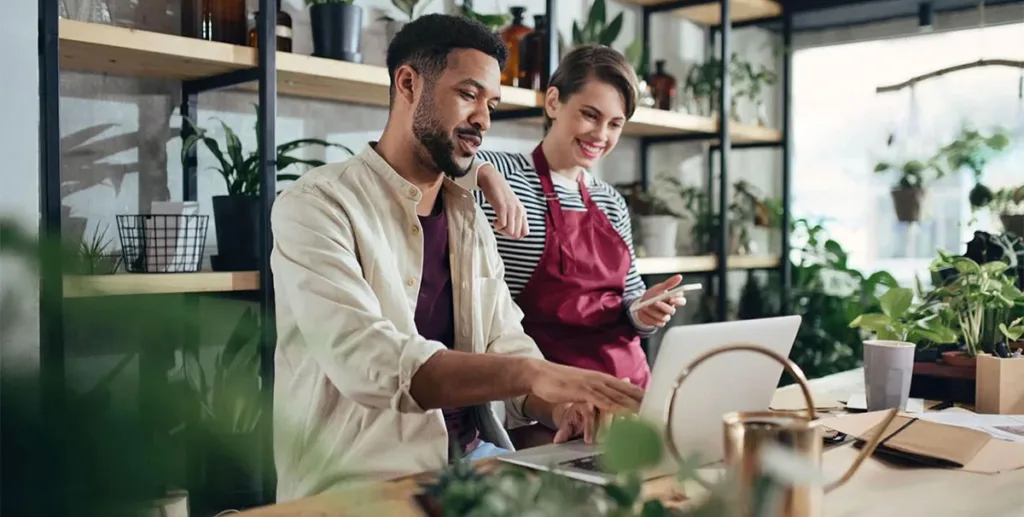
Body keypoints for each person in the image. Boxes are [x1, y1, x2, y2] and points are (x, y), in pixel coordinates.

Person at [268, 15, 645, 502]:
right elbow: (370, 361)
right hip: (360, 490)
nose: (484, 120)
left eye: (491, 104)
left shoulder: (467, 215)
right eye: (469, 95)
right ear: (408, 83)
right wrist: (537, 373)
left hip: (474, 468)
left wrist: (558, 406)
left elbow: (504, 342)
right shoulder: (316, 206)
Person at [464, 44, 687, 390]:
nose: (601, 135)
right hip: (548, 394)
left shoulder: (610, 200)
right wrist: (484, 174)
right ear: (553, 102)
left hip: (630, 385)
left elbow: (629, 302)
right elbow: (432, 163)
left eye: (615, 124)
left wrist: (645, 311)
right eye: (590, 115)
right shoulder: (501, 173)